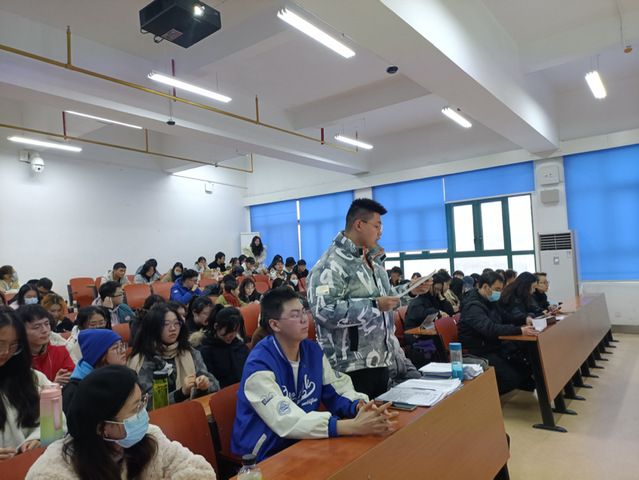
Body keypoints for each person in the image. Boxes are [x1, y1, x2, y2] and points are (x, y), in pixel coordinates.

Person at [232, 287, 396, 462]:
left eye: (304, 312)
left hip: (303, 442)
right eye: (295, 315)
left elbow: (337, 389)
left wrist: (361, 407)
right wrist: (351, 426)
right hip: (265, 454)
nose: (304, 319)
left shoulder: (312, 351)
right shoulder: (258, 365)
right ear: (275, 325)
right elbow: (285, 420)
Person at [308, 198, 428, 399]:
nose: (380, 232)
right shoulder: (331, 264)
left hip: (380, 359)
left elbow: (387, 299)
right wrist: (375, 305)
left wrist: (411, 290)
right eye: (377, 226)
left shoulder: (371, 261)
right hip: (350, 367)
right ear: (359, 225)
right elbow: (324, 311)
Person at [26, 365, 216, 479]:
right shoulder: (53, 472)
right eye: (135, 409)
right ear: (102, 428)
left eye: (142, 402)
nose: (143, 414)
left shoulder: (149, 436)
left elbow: (200, 472)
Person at [458, 272, 537, 395]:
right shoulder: (472, 306)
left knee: (525, 366)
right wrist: (519, 330)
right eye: (497, 289)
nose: (499, 293)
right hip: (478, 350)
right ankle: (485, 397)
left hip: (494, 345)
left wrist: (524, 319)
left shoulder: (489, 301)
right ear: (485, 287)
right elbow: (490, 329)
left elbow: (505, 317)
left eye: (501, 289)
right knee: (511, 378)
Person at [0, 307, 64, 459]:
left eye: (14, 345)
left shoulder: (34, 378)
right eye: (0, 344)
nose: (6, 352)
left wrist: (39, 438)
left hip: (28, 462)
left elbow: (56, 421)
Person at [128, 304, 219, 404]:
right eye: (166, 324)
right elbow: (145, 403)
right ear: (153, 328)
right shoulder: (143, 360)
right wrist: (181, 393)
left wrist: (204, 385)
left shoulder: (190, 352)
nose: (173, 328)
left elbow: (215, 385)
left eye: (176, 323)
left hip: (192, 409)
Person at [62, 329, 126, 415]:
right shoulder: (74, 391)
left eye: (122, 345)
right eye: (115, 348)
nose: (123, 351)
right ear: (100, 355)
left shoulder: (121, 375)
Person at [19, 305, 75, 384]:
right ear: (21, 330)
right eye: (36, 327)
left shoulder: (60, 352)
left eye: (47, 324)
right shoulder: (15, 357)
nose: (45, 330)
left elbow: (72, 380)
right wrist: (52, 385)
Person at [196, 307, 249, 388]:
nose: (232, 335)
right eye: (229, 331)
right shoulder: (205, 350)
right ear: (216, 326)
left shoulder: (239, 345)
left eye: (235, 331)